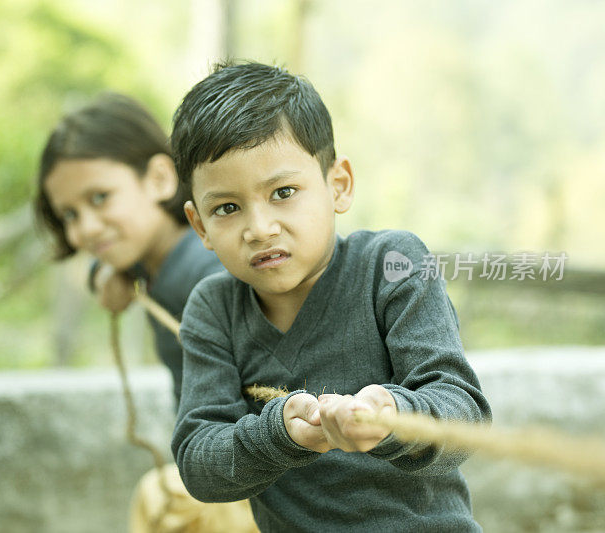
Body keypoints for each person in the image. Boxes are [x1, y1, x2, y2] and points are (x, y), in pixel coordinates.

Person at [170, 62, 492, 532]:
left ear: (338, 185)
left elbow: (461, 414)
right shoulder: (213, 309)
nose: (260, 229)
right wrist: (278, 432)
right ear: (199, 224)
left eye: (283, 192)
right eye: (227, 208)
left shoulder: (391, 265)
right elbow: (199, 463)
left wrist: (392, 415)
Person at [33, 92, 257, 533]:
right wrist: (103, 271)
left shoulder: (206, 271)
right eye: (70, 214)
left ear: (158, 178)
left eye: (100, 198)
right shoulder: (156, 266)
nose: (85, 228)